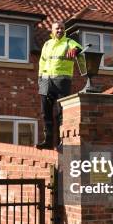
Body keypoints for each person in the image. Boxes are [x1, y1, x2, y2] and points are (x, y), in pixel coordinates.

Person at [36, 21, 83, 150]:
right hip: (46, 80)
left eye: (62, 28)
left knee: (62, 113)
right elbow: (42, 62)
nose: (60, 30)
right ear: (52, 30)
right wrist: (40, 78)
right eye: (57, 28)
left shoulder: (69, 42)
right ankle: (48, 141)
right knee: (46, 112)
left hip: (62, 81)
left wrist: (74, 50)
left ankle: (63, 142)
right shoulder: (47, 44)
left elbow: (79, 48)